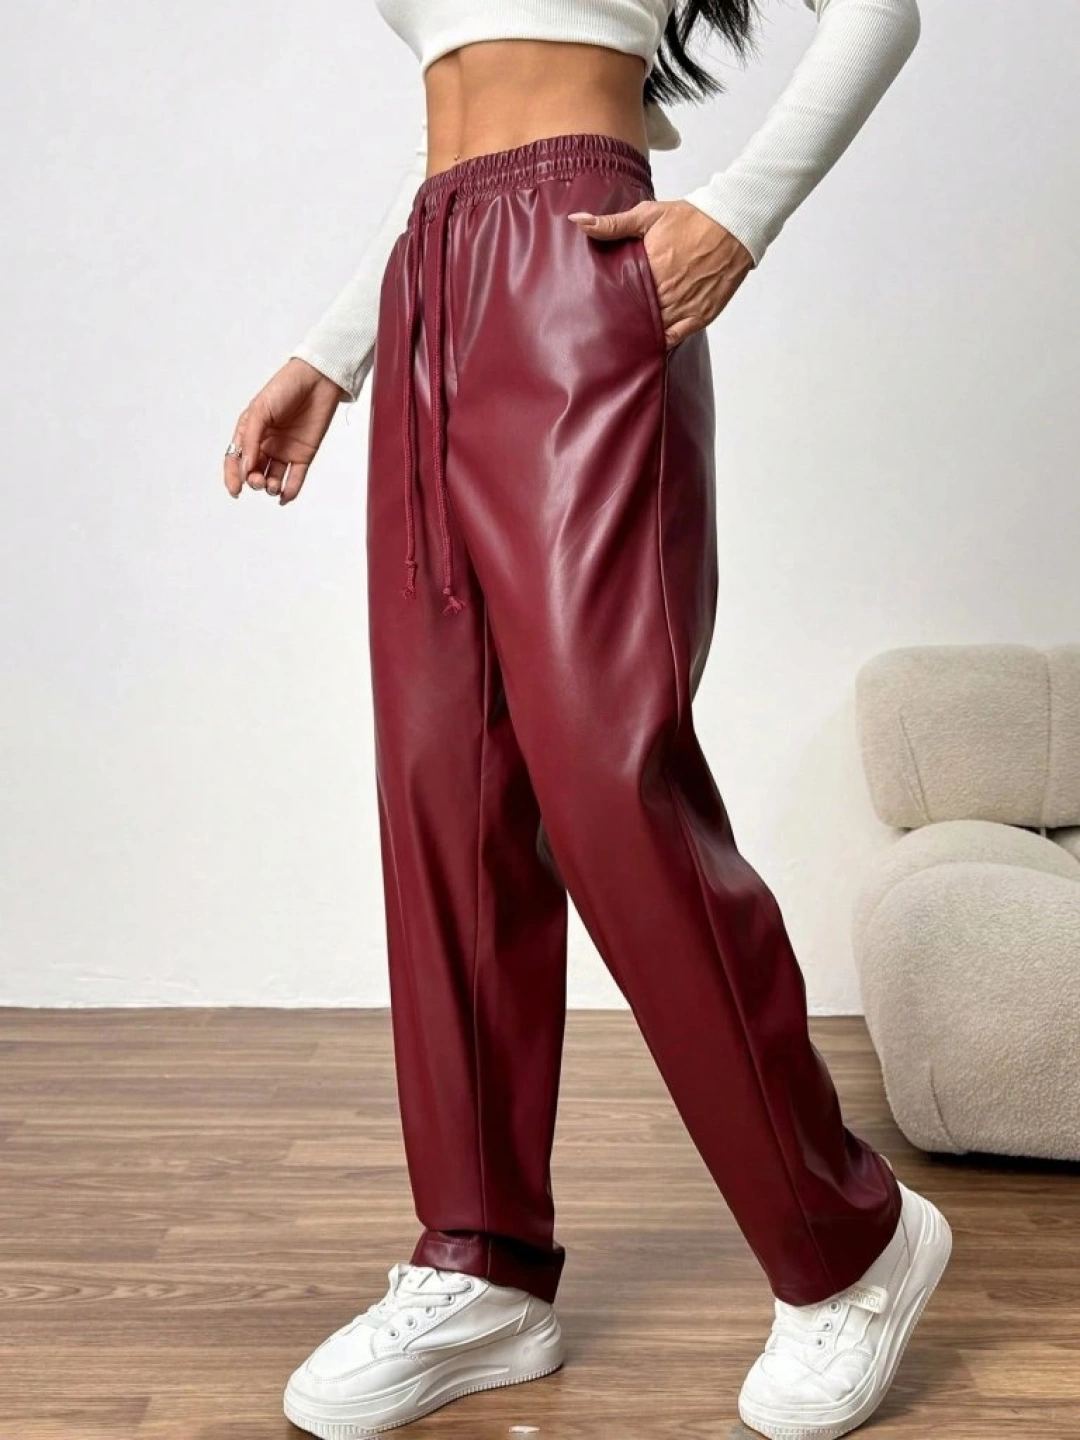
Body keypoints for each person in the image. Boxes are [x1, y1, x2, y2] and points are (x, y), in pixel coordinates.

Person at [223, 3, 952, 1436]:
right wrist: (334, 351)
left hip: (574, 268)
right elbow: (461, 127)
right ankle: (483, 1262)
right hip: (429, 279)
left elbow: (884, 6)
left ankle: (849, 1242)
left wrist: (740, 214)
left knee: (610, 792)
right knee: (447, 793)